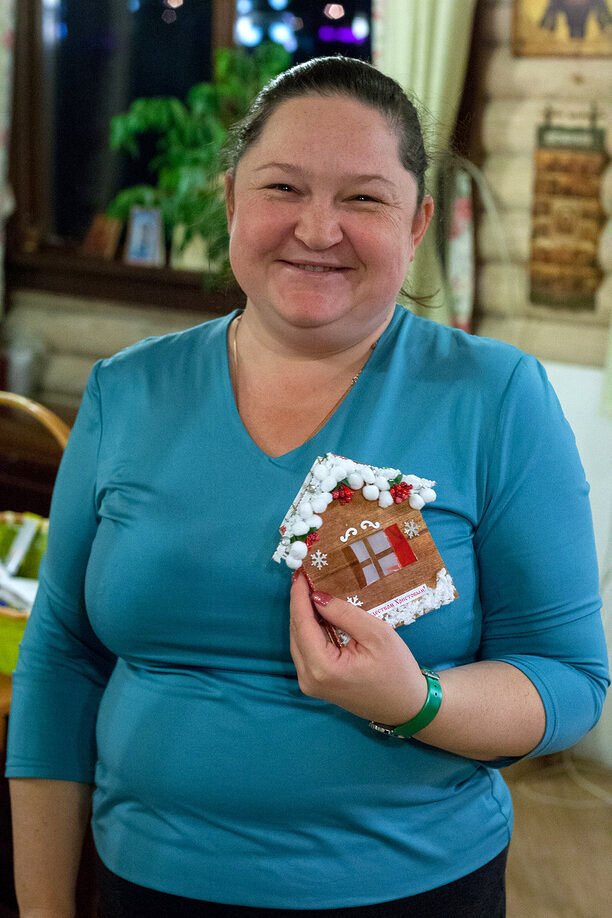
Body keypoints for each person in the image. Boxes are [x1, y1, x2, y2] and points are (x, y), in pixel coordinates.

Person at [6, 56, 608, 918]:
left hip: (412, 888)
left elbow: (569, 679)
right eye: (283, 187)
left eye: (364, 198)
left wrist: (417, 702)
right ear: (231, 201)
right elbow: (61, 657)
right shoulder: (127, 389)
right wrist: (42, 906)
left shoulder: (496, 397)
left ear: (417, 223)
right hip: (145, 880)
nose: (318, 229)